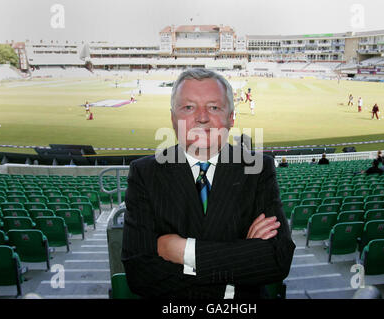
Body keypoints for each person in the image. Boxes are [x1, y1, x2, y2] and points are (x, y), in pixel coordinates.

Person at [121, 68, 295, 299]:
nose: (202, 117)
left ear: (231, 118)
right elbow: (139, 274)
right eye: (189, 107)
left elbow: (277, 259)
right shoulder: (145, 173)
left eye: (214, 107)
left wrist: (184, 251)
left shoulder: (258, 169)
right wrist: (244, 255)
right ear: (173, 118)